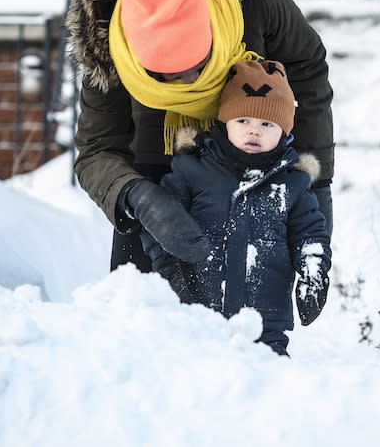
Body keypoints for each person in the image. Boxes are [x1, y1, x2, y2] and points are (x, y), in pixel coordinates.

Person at [66, 0, 335, 272]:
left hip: (253, 169)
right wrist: (137, 196)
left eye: (201, 66)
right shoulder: (110, 47)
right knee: (142, 319)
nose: (190, 83)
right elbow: (96, 151)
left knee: (253, 323)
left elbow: (308, 67)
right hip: (158, 182)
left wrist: (315, 180)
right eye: (168, 77)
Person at [141, 60, 331, 356]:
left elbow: (310, 235)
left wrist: (313, 273)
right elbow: (160, 222)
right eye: (243, 121)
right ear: (224, 122)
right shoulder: (192, 170)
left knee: (268, 388)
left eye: (267, 124)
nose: (253, 131)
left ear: (283, 131)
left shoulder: (293, 183)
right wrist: (169, 270)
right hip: (197, 315)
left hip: (264, 323)